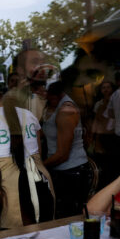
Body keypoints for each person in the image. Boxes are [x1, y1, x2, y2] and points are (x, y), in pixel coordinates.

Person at [0, 90, 54, 228]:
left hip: (8, 187)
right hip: (40, 180)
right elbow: (38, 153)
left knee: (11, 237)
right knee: (43, 232)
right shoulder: (30, 116)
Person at [42, 81, 90, 218]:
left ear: (57, 95)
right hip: (61, 170)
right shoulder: (54, 107)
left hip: (71, 172)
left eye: (49, 97)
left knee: (69, 218)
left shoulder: (65, 111)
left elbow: (63, 154)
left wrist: (40, 166)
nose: (47, 100)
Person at [91, 81, 116, 188]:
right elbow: (96, 121)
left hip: (114, 136)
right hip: (102, 137)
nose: (106, 90)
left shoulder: (117, 102)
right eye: (103, 88)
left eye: (108, 87)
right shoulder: (98, 104)